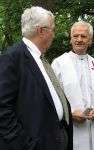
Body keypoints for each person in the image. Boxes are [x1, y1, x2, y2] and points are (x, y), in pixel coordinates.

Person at [0, 6, 73, 150]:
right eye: (53, 29)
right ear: (41, 31)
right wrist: (26, 145)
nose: (54, 34)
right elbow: (2, 111)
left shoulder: (40, 58)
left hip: (56, 137)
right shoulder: (12, 58)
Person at [51, 21, 94, 150]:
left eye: (83, 36)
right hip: (70, 127)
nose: (79, 40)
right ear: (70, 39)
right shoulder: (59, 63)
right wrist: (70, 114)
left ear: (90, 40)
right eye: (75, 36)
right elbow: (52, 97)